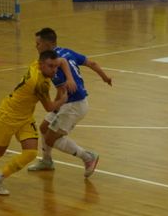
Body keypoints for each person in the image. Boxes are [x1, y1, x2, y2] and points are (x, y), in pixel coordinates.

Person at [0, 50, 75, 195]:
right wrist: (63, 99)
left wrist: (67, 77)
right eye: (50, 66)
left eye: (55, 67)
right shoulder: (39, 83)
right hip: (8, 115)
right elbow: (49, 107)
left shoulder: (36, 64)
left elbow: (61, 61)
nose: (54, 70)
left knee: (31, 152)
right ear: (41, 65)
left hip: (25, 116)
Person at [27, 28, 112, 177]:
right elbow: (91, 63)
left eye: (38, 43)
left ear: (48, 44)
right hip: (71, 102)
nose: (36, 47)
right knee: (44, 127)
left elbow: (61, 89)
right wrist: (105, 77)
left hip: (74, 104)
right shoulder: (67, 51)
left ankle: (88, 157)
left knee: (51, 139)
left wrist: (54, 105)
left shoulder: (50, 64)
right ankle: (47, 161)